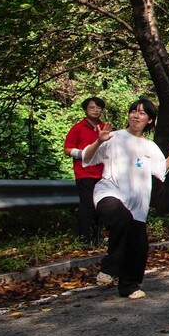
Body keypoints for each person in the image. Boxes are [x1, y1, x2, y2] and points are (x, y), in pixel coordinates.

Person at [82, 98, 169, 299]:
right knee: (122, 219)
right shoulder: (112, 137)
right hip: (108, 193)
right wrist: (98, 141)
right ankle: (109, 269)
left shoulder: (150, 146)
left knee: (139, 247)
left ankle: (128, 286)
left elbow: (160, 170)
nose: (136, 115)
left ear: (149, 120)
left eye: (142, 113)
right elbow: (87, 157)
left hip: (137, 204)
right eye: (133, 111)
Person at [64, 96, 107, 244]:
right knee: (87, 205)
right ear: (85, 110)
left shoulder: (104, 128)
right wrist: (82, 153)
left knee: (100, 205)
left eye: (98, 107)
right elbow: (67, 149)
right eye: (92, 107)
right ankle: (84, 238)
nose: (96, 110)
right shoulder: (78, 128)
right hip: (85, 173)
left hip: (102, 173)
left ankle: (97, 237)